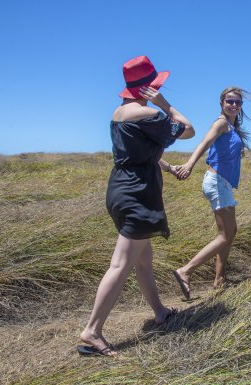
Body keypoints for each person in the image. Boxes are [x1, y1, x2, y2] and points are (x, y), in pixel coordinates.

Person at [79, 56, 195, 356]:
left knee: (143, 261)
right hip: (138, 195)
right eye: (156, 86)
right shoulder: (147, 114)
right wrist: (165, 103)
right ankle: (92, 331)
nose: (159, 89)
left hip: (119, 189)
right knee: (120, 265)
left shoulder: (119, 113)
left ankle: (160, 312)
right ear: (147, 88)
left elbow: (139, 152)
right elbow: (188, 129)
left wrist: (167, 167)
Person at [172, 86, 251, 300]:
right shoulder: (221, 123)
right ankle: (185, 271)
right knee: (225, 235)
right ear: (222, 104)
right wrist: (189, 164)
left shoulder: (232, 128)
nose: (233, 105)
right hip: (216, 182)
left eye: (237, 102)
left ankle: (219, 279)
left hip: (223, 182)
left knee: (230, 231)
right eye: (230, 101)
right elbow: (204, 143)